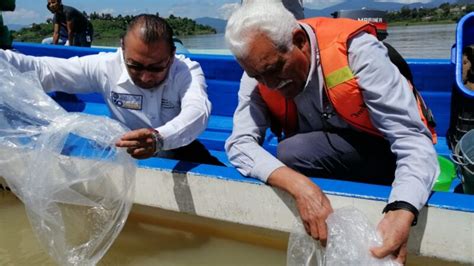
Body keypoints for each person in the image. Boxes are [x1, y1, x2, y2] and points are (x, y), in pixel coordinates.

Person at [224, 0, 439, 264]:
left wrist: (403, 208)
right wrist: (301, 187)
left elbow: (412, 139)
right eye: (258, 76)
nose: (270, 84)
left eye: (274, 70)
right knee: (290, 154)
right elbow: (239, 144)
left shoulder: (357, 52)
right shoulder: (258, 70)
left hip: (384, 154)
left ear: (300, 41)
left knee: (292, 151)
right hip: (328, 153)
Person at [0, 14, 223, 166]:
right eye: (135, 66)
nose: (145, 76)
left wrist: (159, 138)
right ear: (122, 48)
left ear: (172, 55)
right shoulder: (106, 66)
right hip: (124, 152)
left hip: (178, 145)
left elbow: (197, 112)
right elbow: (43, 70)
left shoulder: (186, 70)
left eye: (156, 67)